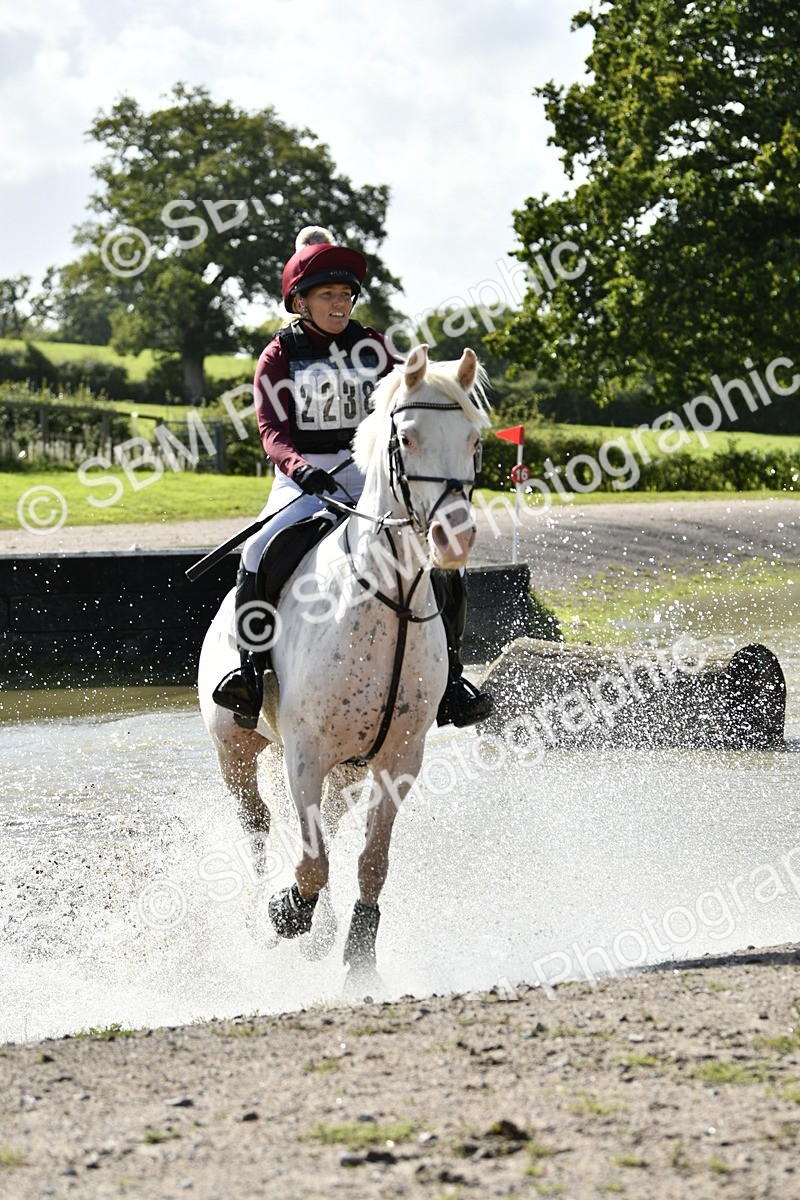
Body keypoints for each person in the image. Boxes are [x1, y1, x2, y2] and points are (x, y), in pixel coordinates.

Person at [213, 226, 493, 731]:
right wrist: (301, 471)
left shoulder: (374, 347)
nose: (340, 304)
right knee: (257, 553)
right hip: (303, 479)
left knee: (443, 563)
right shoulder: (279, 356)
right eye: (328, 296)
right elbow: (271, 430)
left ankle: (452, 680)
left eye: (346, 295)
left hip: (368, 475)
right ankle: (250, 674)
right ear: (300, 301)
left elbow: (415, 395)